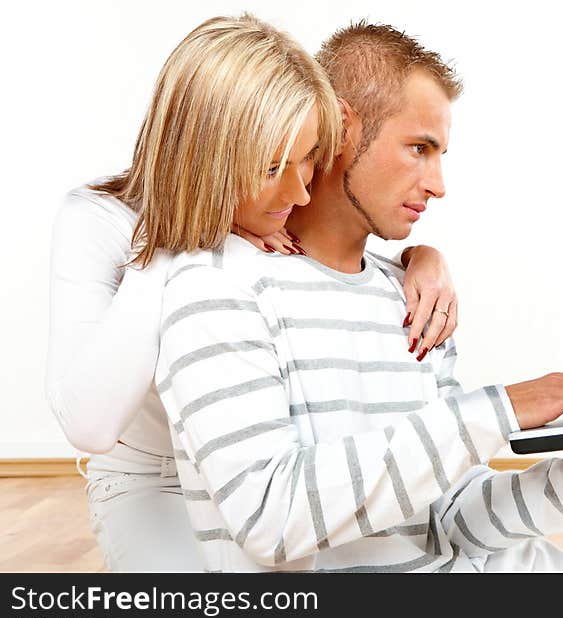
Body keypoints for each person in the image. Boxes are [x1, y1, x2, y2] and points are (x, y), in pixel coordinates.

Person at [156, 20, 563, 572]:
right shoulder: (219, 288)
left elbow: (450, 523)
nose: (439, 183)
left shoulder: (413, 297)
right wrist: (501, 409)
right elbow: (271, 519)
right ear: (342, 127)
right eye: (419, 148)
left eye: (441, 154)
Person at [46, 14, 461, 572]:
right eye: (272, 166)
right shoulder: (99, 221)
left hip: (259, 470)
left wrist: (419, 258)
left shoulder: (271, 207)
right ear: (212, 152)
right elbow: (90, 426)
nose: (297, 189)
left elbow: (340, 239)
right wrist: (182, 237)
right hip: (155, 482)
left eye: (305, 161)